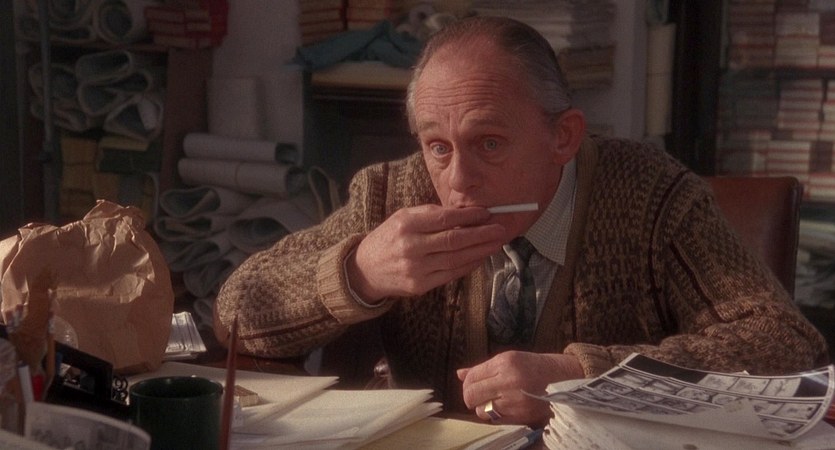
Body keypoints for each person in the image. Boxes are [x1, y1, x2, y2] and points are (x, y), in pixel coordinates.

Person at [214, 16, 828, 427]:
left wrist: (579, 377)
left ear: (563, 136)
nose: (458, 180)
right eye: (438, 146)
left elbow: (786, 346)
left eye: (489, 144)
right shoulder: (391, 194)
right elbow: (236, 313)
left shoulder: (652, 194)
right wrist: (356, 273)